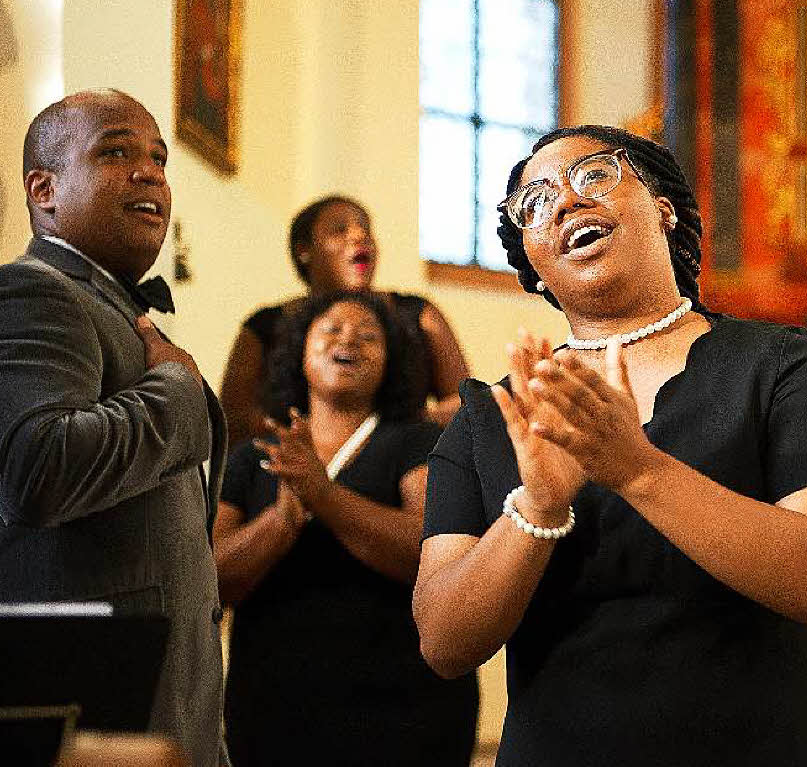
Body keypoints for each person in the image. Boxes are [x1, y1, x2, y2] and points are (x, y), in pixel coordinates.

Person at [412, 125, 807, 766]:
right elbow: (443, 641)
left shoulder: (783, 367)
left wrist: (634, 468)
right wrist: (539, 508)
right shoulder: (491, 419)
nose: (568, 201)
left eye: (594, 174)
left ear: (664, 210)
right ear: (534, 265)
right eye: (537, 202)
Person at [0, 89, 227, 766]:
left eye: (159, 158)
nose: (151, 172)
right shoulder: (34, 291)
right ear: (44, 189)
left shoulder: (110, 308)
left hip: (166, 711)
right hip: (95, 709)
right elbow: (37, 469)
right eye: (116, 151)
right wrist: (177, 390)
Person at [214, 291, 478, 766]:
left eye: (369, 336)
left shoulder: (421, 442)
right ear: (299, 349)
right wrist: (281, 520)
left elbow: (429, 554)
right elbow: (211, 579)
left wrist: (326, 497)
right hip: (274, 710)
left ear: (392, 361)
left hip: (406, 711)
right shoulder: (254, 456)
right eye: (332, 330)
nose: (349, 340)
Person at [220, 195, 470, 447]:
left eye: (366, 229)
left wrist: (403, 430)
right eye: (339, 230)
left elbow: (465, 403)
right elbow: (232, 421)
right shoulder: (264, 325)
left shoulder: (418, 314)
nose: (359, 235)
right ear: (303, 250)